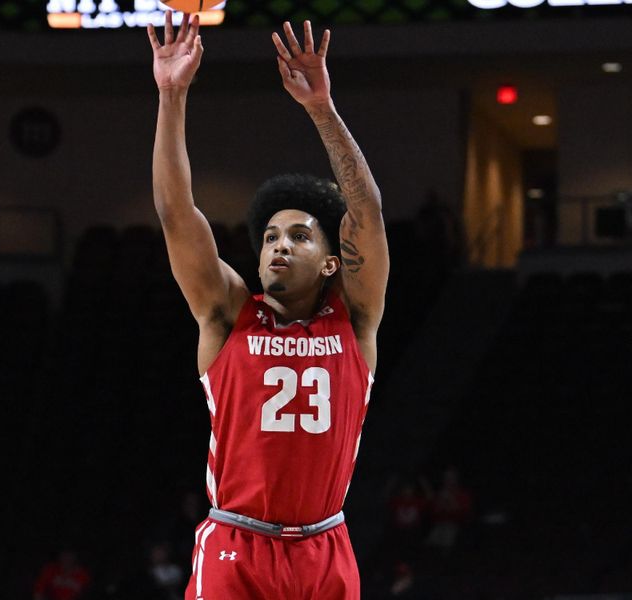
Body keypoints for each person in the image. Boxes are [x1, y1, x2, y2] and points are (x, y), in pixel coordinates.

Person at [147, 12, 388, 600]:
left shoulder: (354, 320)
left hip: (326, 547)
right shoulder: (226, 314)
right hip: (238, 544)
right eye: (271, 237)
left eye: (300, 236)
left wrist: (321, 109)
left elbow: (368, 216)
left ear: (333, 262)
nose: (280, 245)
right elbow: (179, 216)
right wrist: (172, 96)